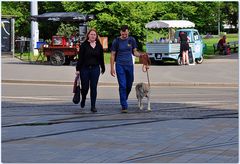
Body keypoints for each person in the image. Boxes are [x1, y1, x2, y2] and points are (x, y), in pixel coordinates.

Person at [110, 25, 142, 113]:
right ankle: (124, 105)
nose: (124, 35)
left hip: (129, 65)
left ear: (128, 32)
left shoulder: (132, 40)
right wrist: (112, 68)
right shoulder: (116, 41)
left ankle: (124, 98)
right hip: (120, 65)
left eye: (126, 34)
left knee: (129, 84)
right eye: (123, 34)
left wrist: (141, 55)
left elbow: (134, 52)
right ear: (120, 32)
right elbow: (112, 55)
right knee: (122, 85)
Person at [76, 29, 105, 113]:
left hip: (95, 69)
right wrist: (78, 69)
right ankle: (84, 98)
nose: (93, 36)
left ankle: (93, 106)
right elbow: (80, 58)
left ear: (96, 36)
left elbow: (101, 58)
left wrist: (103, 67)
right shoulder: (84, 45)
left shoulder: (99, 46)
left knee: (93, 87)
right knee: (85, 88)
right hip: (84, 69)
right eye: (91, 34)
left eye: (94, 35)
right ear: (88, 35)